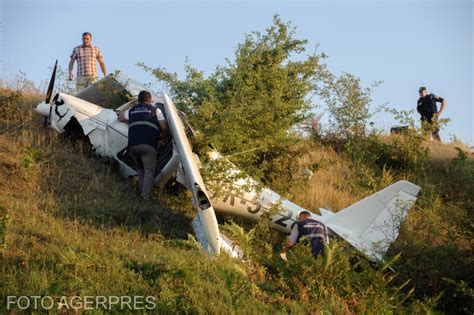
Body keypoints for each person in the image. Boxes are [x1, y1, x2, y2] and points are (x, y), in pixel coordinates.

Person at [118, 91, 170, 200]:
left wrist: (123, 110)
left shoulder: (131, 110)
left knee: (141, 170)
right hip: (148, 146)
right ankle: (144, 198)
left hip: (132, 147)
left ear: (139, 100)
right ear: (150, 100)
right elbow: (164, 127)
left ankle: (140, 195)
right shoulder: (156, 110)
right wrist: (165, 138)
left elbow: (121, 118)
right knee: (149, 171)